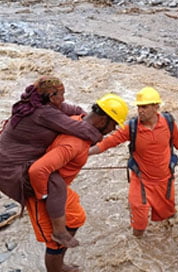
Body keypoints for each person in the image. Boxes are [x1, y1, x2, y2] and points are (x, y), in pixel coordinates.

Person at [27, 93, 128, 272]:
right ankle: (55, 269)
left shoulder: (76, 120)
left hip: (58, 187)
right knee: (55, 240)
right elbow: (37, 171)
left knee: (76, 217)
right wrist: (42, 195)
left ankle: (60, 265)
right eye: (113, 124)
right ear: (103, 119)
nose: (112, 129)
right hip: (41, 189)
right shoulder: (74, 143)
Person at [0, 76, 103, 248]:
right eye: (61, 95)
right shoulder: (43, 113)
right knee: (55, 184)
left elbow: (74, 109)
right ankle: (59, 232)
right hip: (11, 168)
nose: (63, 99)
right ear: (51, 96)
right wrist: (100, 132)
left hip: (9, 159)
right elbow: (79, 129)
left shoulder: (40, 103)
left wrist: (86, 115)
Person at [89, 87, 178, 237]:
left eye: (144, 106)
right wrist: (84, 153)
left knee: (167, 218)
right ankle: (139, 247)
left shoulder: (168, 122)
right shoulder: (132, 127)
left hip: (165, 180)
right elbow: (107, 143)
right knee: (139, 221)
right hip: (141, 182)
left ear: (156, 107)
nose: (140, 111)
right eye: (138, 107)